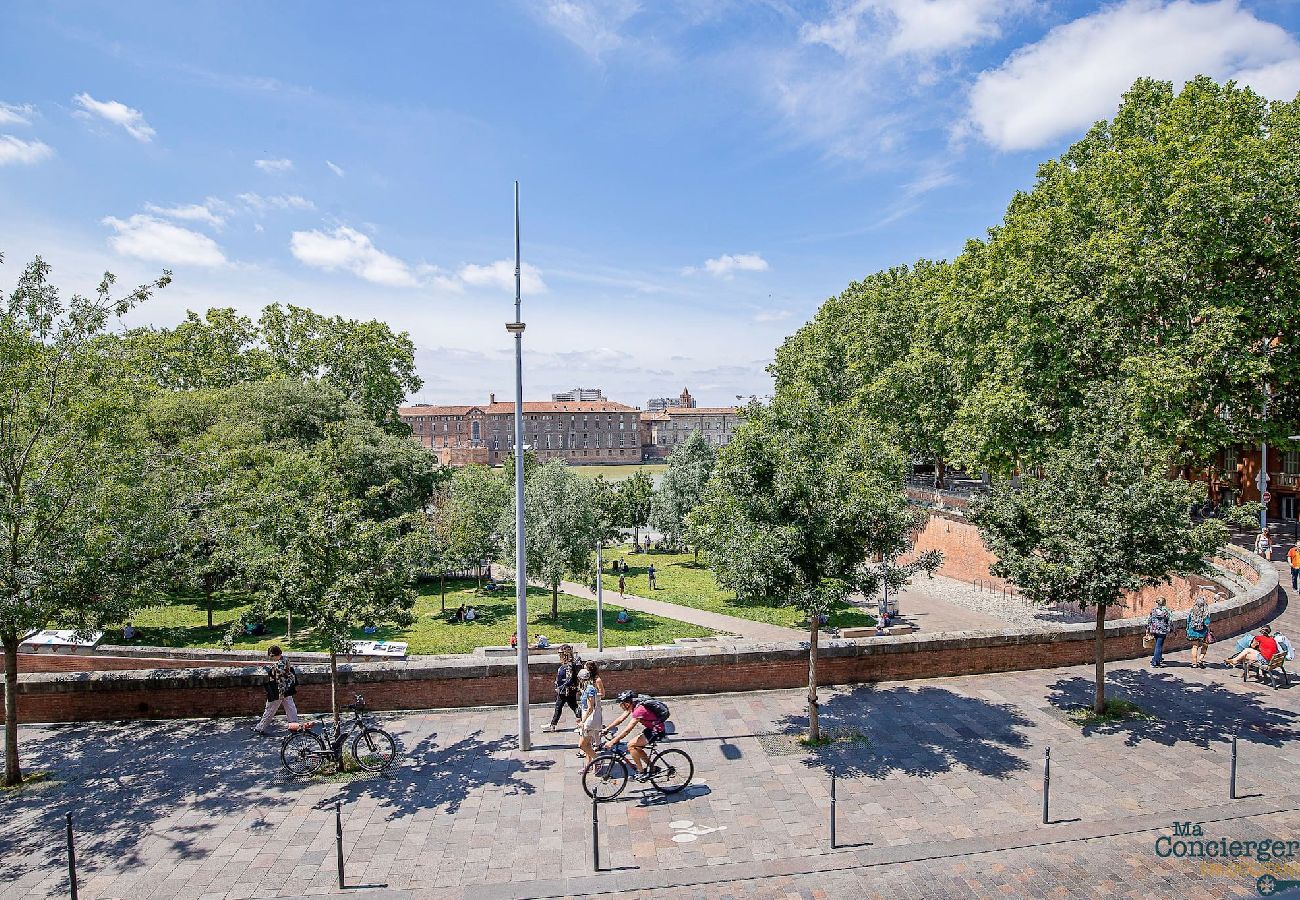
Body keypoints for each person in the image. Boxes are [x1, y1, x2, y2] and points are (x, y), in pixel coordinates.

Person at [603, 690, 668, 782]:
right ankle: (652, 768)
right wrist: (607, 728)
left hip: (656, 730)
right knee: (636, 747)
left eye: (622, 703)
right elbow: (620, 719)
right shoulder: (634, 705)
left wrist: (612, 742)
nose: (621, 706)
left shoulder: (639, 710)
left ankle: (641, 772)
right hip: (651, 728)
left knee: (631, 745)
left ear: (628, 702)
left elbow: (627, 730)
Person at [253, 646, 299, 736]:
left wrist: (266, 668)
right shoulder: (286, 659)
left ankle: (260, 727)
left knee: (270, 709)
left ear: (273, 655)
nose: (271, 658)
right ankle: (295, 726)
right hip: (287, 689)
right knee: (290, 708)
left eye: (271, 656)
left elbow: (273, 673)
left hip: (278, 690)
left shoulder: (280, 665)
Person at [543, 645, 580, 732]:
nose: (559, 656)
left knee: (573, 706)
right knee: (559, 707)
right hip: (564, 690)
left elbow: (569, 679)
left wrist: (560, 687)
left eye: (561, 654)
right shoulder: (567, 664)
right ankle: (553, 724)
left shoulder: (569, 665)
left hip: (567, 691)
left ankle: (581, 723)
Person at [575, 667, 604, 765]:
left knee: (582, 745)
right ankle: (588, 766)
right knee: (588, 745)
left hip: (590, 722)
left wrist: (583, 721)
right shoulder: (587, 689)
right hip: (589, 720)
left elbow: (590, 707)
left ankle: (598, 760)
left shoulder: (589, 690)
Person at [1186, 594, 1211, 669]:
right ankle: (1201, 659)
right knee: (1205, 646)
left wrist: (1187, 629)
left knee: (1194, 646)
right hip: (1202, 633)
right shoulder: (1205, 612)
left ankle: (1194, 663)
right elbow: (1207, 623)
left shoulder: (1192, 611)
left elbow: (1188, 621)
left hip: (1192, 631)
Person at [1146, 598, 1172, 667]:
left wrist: (1148, 630)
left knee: (1158, 644)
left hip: (1154, 630)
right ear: (1164, 603)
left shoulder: (1153, 611)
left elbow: (1149, 621)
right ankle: (1155, 662)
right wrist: (1172, 630)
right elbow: (1170, 622)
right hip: (1162, 631)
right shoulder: (1166, 612)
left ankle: (1159, 658)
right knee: (1159, 646)